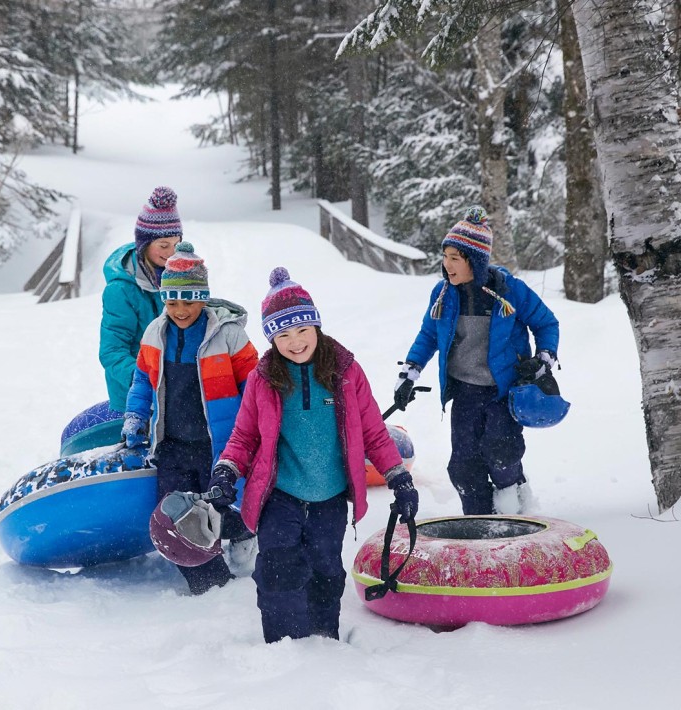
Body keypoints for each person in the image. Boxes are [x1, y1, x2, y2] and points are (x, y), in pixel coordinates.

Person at [206, 267, 419, 643]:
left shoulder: (346, 372)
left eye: (302, 330)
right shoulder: (263, 378)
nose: (295, 342)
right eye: (283, 334)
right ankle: (285, 646)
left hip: (330, 497)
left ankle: (323, 643)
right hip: (280, 495)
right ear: (272, 338)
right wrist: (226, 470)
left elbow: (373, 431)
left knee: (325, 569)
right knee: (277, 570)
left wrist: (398, 477)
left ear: (316, 327)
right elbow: (244, 436)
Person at [394, 206, 559, 516]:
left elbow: (546, 324)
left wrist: (543, 359)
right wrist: (410, 372)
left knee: (502, 454)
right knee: (463, 465)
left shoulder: (510, 291)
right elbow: (429, 335)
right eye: (445, 257)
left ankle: (515, 507)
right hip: (466, 392)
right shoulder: (443, 294)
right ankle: (480, 519)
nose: (447, 265)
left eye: (455, 258)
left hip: (503, 391)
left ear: (476, 261)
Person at [121, 241, 259, 595]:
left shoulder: (227, 335)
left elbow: (256, 385)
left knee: (224, 507)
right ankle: (211, 585)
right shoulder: (155, 333)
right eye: (172, 301)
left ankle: (244, 534)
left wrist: (259, 430)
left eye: (189, 300)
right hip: (173, 445)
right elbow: (142, 380)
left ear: (204, 297)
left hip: (220, 445)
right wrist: (136, 416)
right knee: (178, 515)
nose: (180, 309)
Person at [99, 186, 183, 414]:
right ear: (144, 245)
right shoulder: (121, 290)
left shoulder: (180, 275)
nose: (171, 253)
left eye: (176, 244)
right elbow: (112, 351)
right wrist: (146, 381)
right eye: (163, 245)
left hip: (175, 388)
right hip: (135, 395)